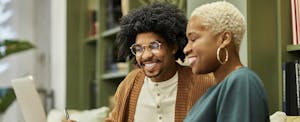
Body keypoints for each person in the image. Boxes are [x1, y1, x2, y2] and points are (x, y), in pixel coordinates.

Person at [104, 3, 215, 122]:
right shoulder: (130, 83)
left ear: (173, 47)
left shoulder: (204, 83)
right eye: (139, 49)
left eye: (154, 46)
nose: (146, 55)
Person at [183, 1, 269, 122]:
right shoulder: (215, 91)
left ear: (224, 39)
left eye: (193, 39)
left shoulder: (242, 81)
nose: (186, 49)